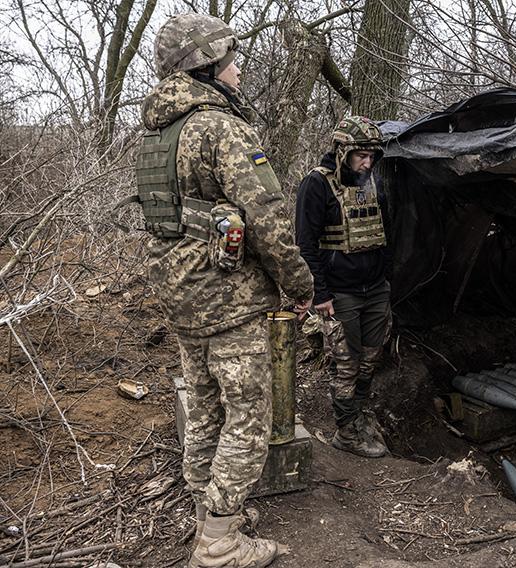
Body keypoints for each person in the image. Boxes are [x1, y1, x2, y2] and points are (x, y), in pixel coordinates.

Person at [138, 13, 313, 568]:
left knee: (207, 408)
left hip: (182, 296)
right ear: (206, 65)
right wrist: (299, 283)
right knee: (248, 415)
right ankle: (218, 543)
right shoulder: (219, 127)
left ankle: (209, 513)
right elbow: (266, 217)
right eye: (231, 60)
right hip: (228, 299)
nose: (239, 70)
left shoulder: (155, 134)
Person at [295, 116, 392, 458]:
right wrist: (320, 295)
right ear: (342, 152)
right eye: (360, 155)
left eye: (371, 156)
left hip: (375, 289)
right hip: (341, 293)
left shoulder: (373, 183)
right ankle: (346, 432)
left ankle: (357, 415)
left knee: (370, 360)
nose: (367, 162)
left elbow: (383, 234)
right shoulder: (317, 185)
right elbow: (305, 245)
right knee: (346, 363)